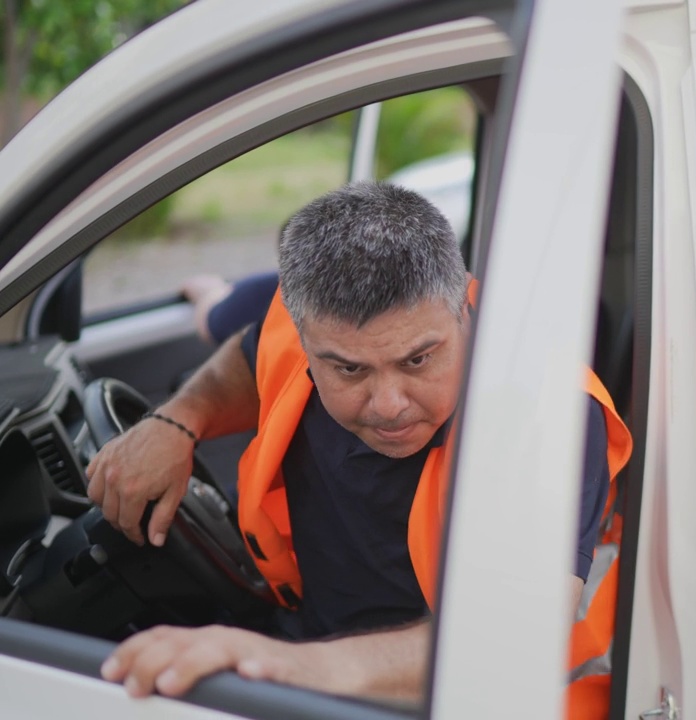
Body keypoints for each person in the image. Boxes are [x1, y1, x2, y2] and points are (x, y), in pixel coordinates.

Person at [85, 183, 632, 718]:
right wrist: (177, 421)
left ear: (463, 307)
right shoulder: (295, 323)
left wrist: (290, 667)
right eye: (349, 369)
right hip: (306, 650)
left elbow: (513, 638)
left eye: (418, 359)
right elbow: (249, 358)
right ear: (307, 339)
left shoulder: (547, 409)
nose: (389, 404)